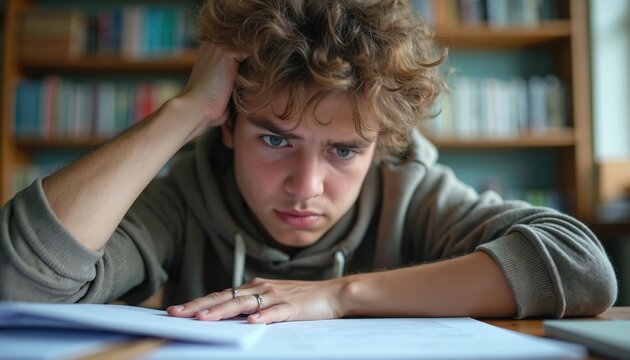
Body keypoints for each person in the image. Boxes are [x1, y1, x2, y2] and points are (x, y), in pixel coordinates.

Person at [0, 0, 617, 325]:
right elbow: (17, 285)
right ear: (228, 128)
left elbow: (581, 268)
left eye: (345, 150)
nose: (306, 186)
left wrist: (338, 296)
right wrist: (185, 110)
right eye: (274, 139)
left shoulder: (414, 195)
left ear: (382, 148)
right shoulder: (185, 197)